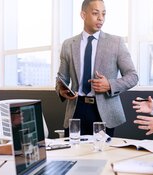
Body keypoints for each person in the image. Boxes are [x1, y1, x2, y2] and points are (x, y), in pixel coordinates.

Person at [56, 0, 138, 137]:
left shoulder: (116, 42)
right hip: (76, 109)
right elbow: (61, 77)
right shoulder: (68, 44)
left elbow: (133, 76)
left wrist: (110, 85)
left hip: (104, 113)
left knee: (102, 155)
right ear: (83, 15)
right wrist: (61, 90)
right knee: (73, 155)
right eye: (95, 13)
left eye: (103, 14)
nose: (101, 18)